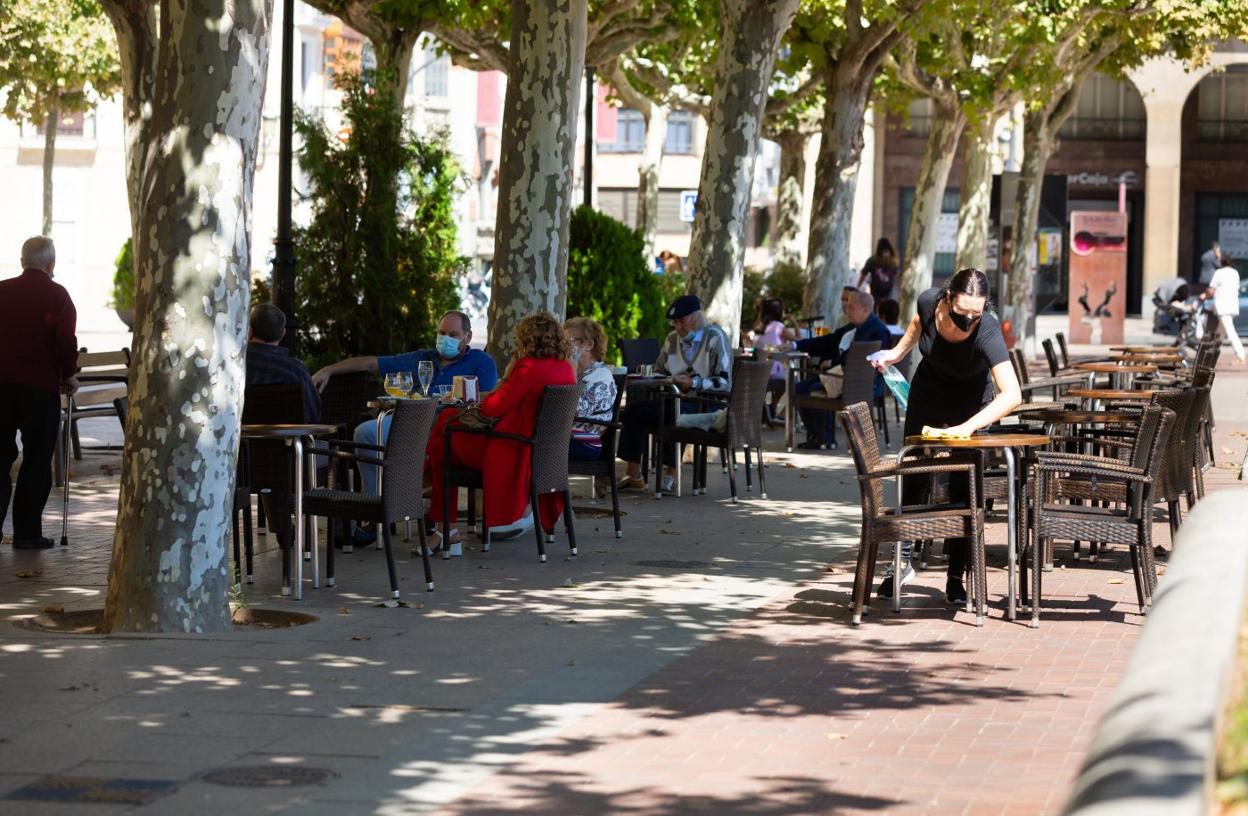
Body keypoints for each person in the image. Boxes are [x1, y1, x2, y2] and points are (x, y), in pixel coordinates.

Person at [869, 268, 1022, 604]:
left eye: (975, 313)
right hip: (928, 395)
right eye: (961, 311)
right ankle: (901, 562)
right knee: (912, 478)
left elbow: (1012, 394)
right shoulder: (928, 302)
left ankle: (956, 577)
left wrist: (967, 428)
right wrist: (896, 354)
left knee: (961, 488)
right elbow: (915, 326)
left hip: (969, 405)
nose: (967, 319)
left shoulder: (987, 330)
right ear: (948, 297)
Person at [315, 311, 499, 546]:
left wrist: (459, 395)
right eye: (442, 333)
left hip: (453, 428)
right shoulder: (422, 359)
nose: (446, 339)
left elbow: (490, 397)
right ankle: (375, 511)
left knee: (427, 445)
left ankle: (407, 503)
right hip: (412, 424)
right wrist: (328, 369)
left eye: (453, 335)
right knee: (365, 432)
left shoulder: (482, 363)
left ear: (468, 337)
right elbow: (371, 362)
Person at [425, 312, 576, 556]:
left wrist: (503, 380)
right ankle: (445, 529)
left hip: (512, 449)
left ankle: (445, 528)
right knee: (442, 443)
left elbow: (495, 408)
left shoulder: (529, 368)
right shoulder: (566, 368)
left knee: (442, 437)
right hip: (543, 453)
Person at [0, 237, 78, 550]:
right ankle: (27, 533)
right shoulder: (57, 295)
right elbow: (64, 341)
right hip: (39, 388)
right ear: (50, 264)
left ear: (22, 261)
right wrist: (68, 374)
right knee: (36, 460)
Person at [617, 294, 732, 493]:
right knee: (634, 411)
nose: (677, 327)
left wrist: (695, 382)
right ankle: (633, 474)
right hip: (676, 398)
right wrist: (645, 374)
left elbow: (724, 382)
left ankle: (671, 473)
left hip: (707, 402)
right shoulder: (672, 340)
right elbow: (660, 369)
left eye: (681, 321)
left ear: (696, 318)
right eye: (674, 322)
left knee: (669, 413)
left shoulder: (715, 337)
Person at [793, 289, 892, 450]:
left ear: (865, 310)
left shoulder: (878, 331)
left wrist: (833, 361)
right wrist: (796, 345)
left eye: (851, 307)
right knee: (802, 387)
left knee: (806, 388)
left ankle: (822, 438)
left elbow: (858, 358)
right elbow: (827, 342)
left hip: (862, 384)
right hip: (844, 378)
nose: (846, 309)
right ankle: (821, 437)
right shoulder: (854, 327)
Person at [245, 304, 320, 422]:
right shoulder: (296, 371)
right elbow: (313, 416)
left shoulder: (235, 366)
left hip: (241, 439)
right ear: (283, 333)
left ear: (249, 331)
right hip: (289, 440)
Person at [565, 316, 618, 462]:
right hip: (564, 438)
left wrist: (569, 373)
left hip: (585, 443)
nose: (562, 347)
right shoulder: (576, 372)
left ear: (588, 344)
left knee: (530, 447)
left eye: (568, 341)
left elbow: (573, 410)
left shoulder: (602, 376)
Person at [1202, 256, 1246, 363]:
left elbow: (1211, 289)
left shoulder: (1219, 272)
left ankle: (1240, 355)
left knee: (1230, 331)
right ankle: (1211, 355)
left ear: (1221, 263)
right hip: (1233, 306)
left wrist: (1204, 296)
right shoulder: (1235, 273)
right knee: (1220, 333)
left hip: (1222, 306)